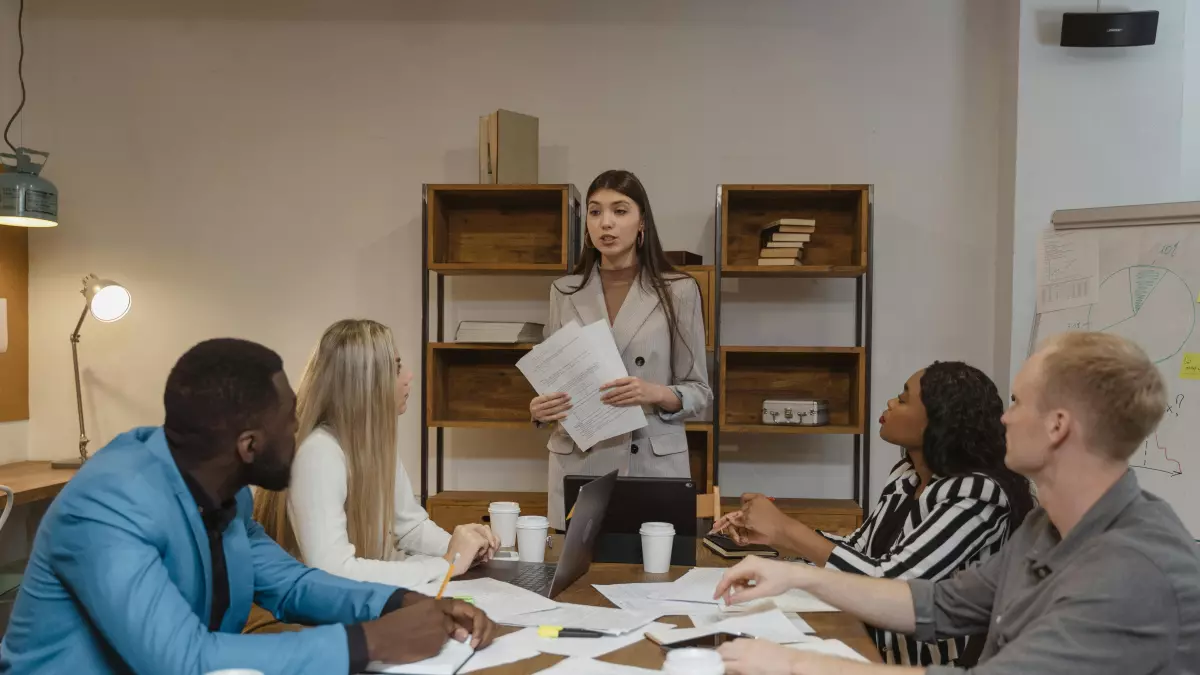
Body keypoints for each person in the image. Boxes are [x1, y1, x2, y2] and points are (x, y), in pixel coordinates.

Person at [713, 332, 1200, 675]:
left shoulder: (1132, 571)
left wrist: (797, 664)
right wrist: (796, 573)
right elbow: (936, 603)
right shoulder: (1043, 529)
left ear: (1057, 425)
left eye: (1016, 403)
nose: (1002, 419)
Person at [0, 338, 496, 675]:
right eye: (289, 421)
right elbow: (183, 661)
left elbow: (292, 585)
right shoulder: (108, 507)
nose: (299, 432)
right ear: (249, 445)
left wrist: (398, 603)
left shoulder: (224, 492)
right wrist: (370, 642)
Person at [712, 361, 1035, 666]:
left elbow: (892, 584)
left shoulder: (977, 493)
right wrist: (777, 543)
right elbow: (859, 552)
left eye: (904, 399)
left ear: (938, 421)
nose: (891, 403)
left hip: (928, 666)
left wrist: (787, 530)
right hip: (871, 643)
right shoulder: (907, 476)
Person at [253, 319, 498, 588]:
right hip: (312, 609)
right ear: (365, 384)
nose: (408, 376)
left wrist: (464, 549)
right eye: (395, 368)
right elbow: (334, 571)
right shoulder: (318, 453)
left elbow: (411, 527)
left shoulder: (372, 444)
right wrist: (446, 564)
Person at [530, 169, 711, 529]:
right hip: (580, 462)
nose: (606, 223)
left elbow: (700, 393)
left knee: (651, 581)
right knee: (574, 582)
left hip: (649, 463)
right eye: (595, 212)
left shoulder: (679, 290)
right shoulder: (563, 291)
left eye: (620, 210)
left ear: (642, 222)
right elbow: (555, 379)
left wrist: (653, 391)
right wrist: (540, 408)